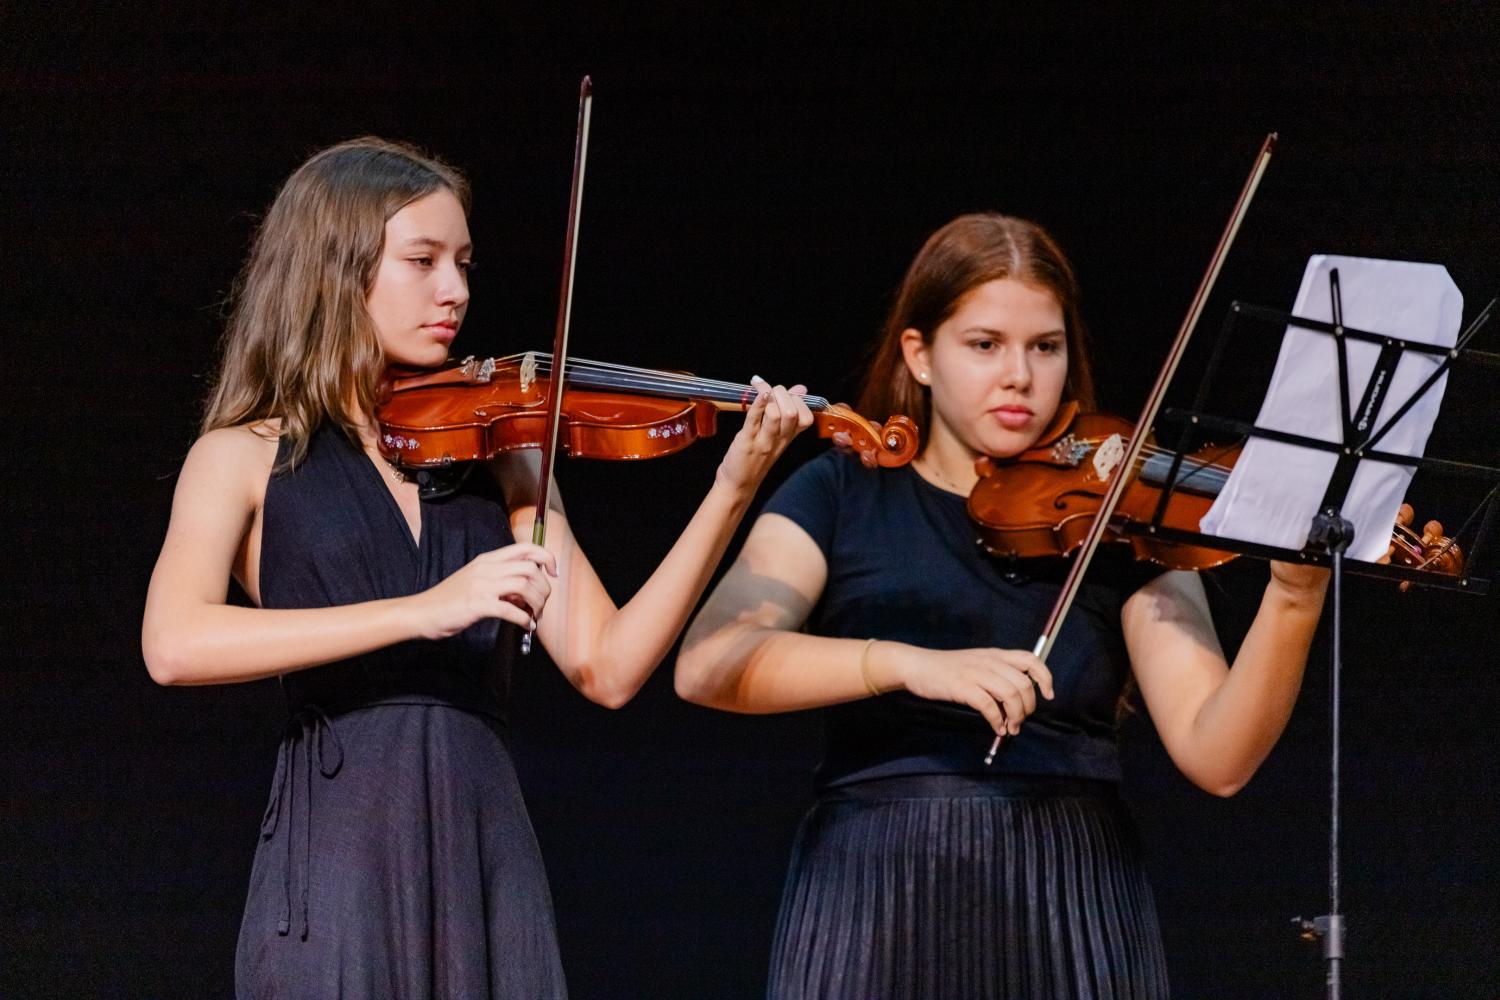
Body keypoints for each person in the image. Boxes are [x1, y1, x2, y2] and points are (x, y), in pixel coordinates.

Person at [141, 136, 812, 999]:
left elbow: (607, 666)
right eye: (421, 261)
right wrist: (425, 608)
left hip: (484, 841)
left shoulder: (501, 455)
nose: (455, 290)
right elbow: (174, 641)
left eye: (462, 262)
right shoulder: (240, 457)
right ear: (335, 270)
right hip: (341, 855)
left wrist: (733, 485)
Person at [675, 212, 1329, 999]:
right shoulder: (842, 490)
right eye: (984, 345)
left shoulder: (1117, 511)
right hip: (875, 892)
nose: (1019, 375)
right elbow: (709, 663)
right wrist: (908, 665)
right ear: (919, 354)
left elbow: (1217, 756)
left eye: (1044, 347)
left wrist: (1293, 599)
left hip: (1068, 893)